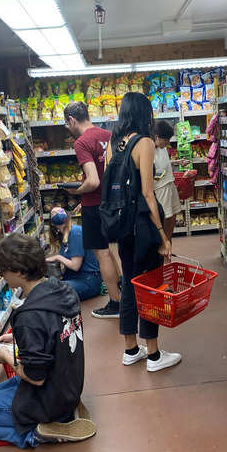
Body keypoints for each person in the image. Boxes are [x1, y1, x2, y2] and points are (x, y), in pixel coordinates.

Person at [0, 234, 93, 447]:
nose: (3, 277)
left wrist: (5, 354)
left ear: (19, 271)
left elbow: (36, 377)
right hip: (67, 385)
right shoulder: (63, 290)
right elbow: (56, 330)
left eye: (3, 271)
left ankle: (38, 433)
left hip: (47, 395)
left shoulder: (29, 316)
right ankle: (67, 411)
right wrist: (18, 337)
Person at [106, 92, 181, 372]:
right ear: (144, 114)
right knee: (151, 286)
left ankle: (130, 349)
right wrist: (163, 235)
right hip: (143, 225)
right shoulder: (145, 142)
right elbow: (149, 194)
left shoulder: (113, 145)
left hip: (122, 226)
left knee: (130, 285)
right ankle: (153, 355)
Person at [64, 101, 122, 319]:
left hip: (94, 204)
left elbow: (93, 180)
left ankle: (116, 303)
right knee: (109, 250)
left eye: (66, 124)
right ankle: (121, 290)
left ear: (71, 120)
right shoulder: (107, 135)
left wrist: (77, 191)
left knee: (102, 253)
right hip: (111, 203)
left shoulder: (82, 142)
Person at [45, 208, 102, 301]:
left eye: (60, 211)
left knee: (50, 292)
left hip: (88, 280)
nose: (57, 213)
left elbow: (75, 266)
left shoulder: (75, 232)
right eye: (53, 213)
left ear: (67, 216)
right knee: (46, 287)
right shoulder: (65, 236)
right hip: (76, 277)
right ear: (52, 223)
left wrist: (58, 257)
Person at [152, 120, 182, 241]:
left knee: (172, 218)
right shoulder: (149, 149)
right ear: (156, 137)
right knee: (164, 219)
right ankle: (163, 246)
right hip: (160, 189)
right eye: (166, 140)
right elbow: (151, 174)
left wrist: (176, 162)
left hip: (169, 184)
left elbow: (162, 164)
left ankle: (168, 245)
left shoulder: (161, 146)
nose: (168, 143)